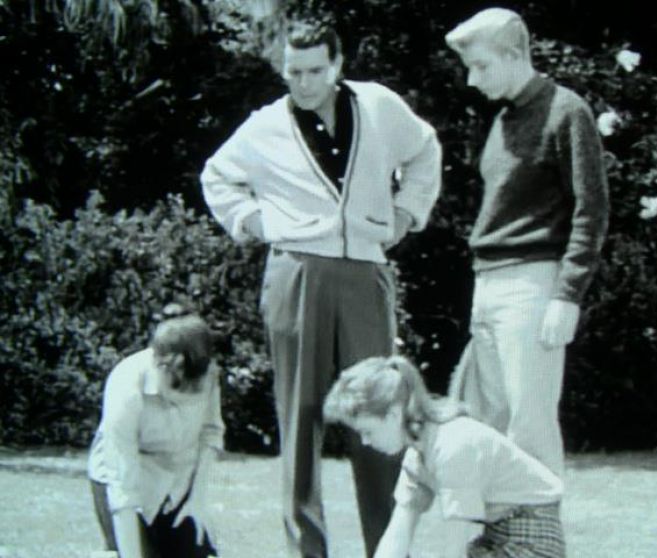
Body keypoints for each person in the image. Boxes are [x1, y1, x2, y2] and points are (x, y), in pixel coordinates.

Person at [200, 19, 442, 558]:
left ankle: (388, 547)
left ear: (337, 65)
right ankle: (306, 551)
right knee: (300, 416)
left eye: (314, 71)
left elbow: (425, 150)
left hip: (365, 273)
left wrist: (406, 212)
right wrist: (255, 221)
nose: (304, 83)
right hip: (297, 273)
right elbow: (216, 177)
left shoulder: (379, 106)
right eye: (293, 72)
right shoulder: (264, 126)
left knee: (379, 408)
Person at [444, 7, 610, 478]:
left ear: (515, 54)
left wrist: (567, 295)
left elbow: (591, 209)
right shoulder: (502, 120)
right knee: (486, 428)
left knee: (530, 430)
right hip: (488, 282)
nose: (473, 80)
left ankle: (538, 529)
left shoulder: (567, 111)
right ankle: (497, 528)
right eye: (469, 68)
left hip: (532, 286)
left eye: (482, 66)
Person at [324, 355, 565, 558]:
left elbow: (455, 546)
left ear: (393, 415)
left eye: (367, 431)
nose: (365, 442)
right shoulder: (418, 455)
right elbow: (398, 533)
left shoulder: (453, 446)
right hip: (498, 534)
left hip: (533, 536)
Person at [88, 304, 224, 558]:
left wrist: (197, 501)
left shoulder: (208, 374)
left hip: (178, 484)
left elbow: (210, 433)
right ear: (163, 366)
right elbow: (122, 486)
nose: (185, 400)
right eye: (178, 389)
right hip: (126, 479)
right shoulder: (126, 384)